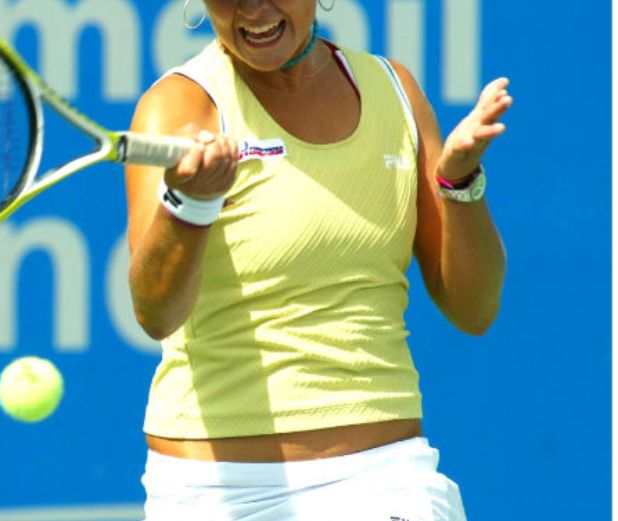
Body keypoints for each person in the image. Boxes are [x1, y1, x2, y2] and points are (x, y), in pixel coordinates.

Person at [124, 0, 511, 519]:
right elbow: (156, 313)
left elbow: (474, 307)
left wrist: (459, 182)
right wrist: (189, 206)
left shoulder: (393, 90)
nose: (253, 8)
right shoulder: (179, 106)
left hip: (386, 481)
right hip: (217, 493)